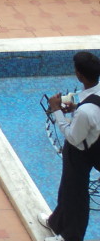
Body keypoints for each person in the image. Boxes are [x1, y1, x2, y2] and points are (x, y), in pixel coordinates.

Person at [39, 51, 100, 241]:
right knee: (67, 188)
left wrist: (57, 111)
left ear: (79, 74)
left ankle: (70, 237)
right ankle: (56, 222)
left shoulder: (85, 112)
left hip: (80, 153)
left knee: (76, 194)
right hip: (92, 143)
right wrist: (74, 108)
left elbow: (73, 136)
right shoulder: (94, 96)